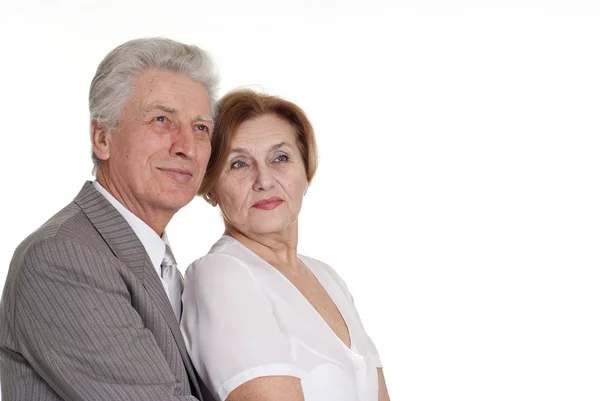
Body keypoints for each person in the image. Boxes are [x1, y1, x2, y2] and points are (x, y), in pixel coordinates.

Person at [0, 37, 219, 401]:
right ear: (102, 138)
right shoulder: (63, 259)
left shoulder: (161, 266)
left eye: (200, 128)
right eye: (161, 119)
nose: (186, 146)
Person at [181, 89, 391, 401]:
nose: (264, 180)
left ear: (307, 171)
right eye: (239, 164)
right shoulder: (222, 275)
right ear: (210, 188)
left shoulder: (328, 278)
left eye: (280, 158)